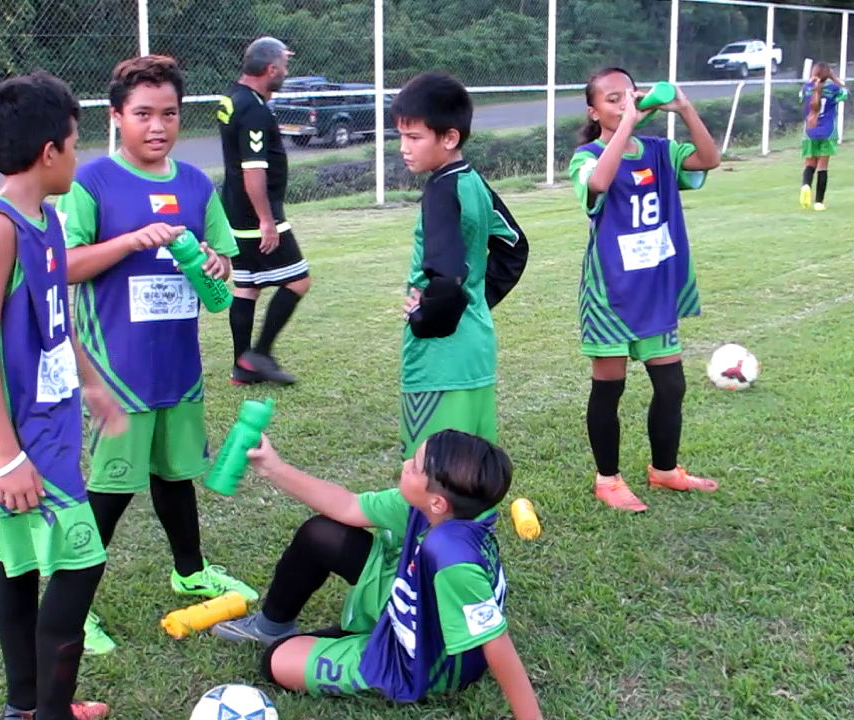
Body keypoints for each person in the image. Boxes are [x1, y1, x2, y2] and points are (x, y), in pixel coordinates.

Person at [58, 54, 257, 656]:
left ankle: (190, 572)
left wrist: (220, 262)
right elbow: (63, 265)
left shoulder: (196, 185)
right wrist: (128, 241)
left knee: (176, 477)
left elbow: (223, 262)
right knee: (111, 493)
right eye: (143, 114)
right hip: (119, 374)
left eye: (168, 114)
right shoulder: (91, 183)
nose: (157, 126)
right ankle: (72, 608)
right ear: (117, 116)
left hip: (179, 369)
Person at [0, 71, 127, 720]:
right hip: (16, 436)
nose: (79, 156)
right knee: (80, 564)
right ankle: (51, 712)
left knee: (18, 565)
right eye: (77, 143)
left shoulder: (47, 220)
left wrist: (91, 383)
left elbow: (54, 320)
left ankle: (25, 707)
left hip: (47, 425)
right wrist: (6, 456)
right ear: (50, 151)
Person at [211, 430, 543, 719]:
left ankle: (361, 645)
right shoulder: (435, 505)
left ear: (438, 503)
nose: (405, 467)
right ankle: (274, 625)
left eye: (413, 467)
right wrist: (274, 467)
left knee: (276, 662)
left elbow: (496, 642)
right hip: (412, 602)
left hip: (419, 661)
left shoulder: (453, 558)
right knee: (321, 533)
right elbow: (348, 506)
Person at [568, 67, 722, 513]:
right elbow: (598, 183)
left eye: (628, 96)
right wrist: (629, 123)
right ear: (593, 110)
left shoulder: (660, 151)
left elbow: (708, 160)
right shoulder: (586, 155)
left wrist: (686, 108)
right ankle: (608, 479)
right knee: (609, 388)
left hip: (655, 287)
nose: (622, 105)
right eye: (611, 100)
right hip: (609, 293)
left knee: (671, 385)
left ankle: (665, 470)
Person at [391, 72, 528, 460]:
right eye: (401, 136)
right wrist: (475, 301)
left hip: (440, 358)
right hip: (476, 349)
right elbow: (514, 246)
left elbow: (447, 279)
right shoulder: (473, 181)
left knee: (429, 472)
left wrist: (425, 320)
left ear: (449, 138)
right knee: (472, 468)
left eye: (414, 137)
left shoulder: (439, 191)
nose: (404, 148)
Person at [217, 36, 309, 386]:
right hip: (256, 215)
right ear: (270, 70)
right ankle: (261, 354)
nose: (285, 73)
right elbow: (253, 170)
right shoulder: (254, 109)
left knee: (248, 286)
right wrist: (267, 221)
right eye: (283, 67)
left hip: (235, 212)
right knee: (298, 281)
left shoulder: (232, 97)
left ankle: (242, 367)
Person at [798, 62, 847, 211]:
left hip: (810, 132)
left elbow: (801, 97)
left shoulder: (807, 89)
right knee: (822, 167)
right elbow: (845, 92)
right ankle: (819, 202)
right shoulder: (833, 89)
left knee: (809, 164)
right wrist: (834, 78)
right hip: (827, 132)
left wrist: (810, 82)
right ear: (828, 75)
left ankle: (806, 185)